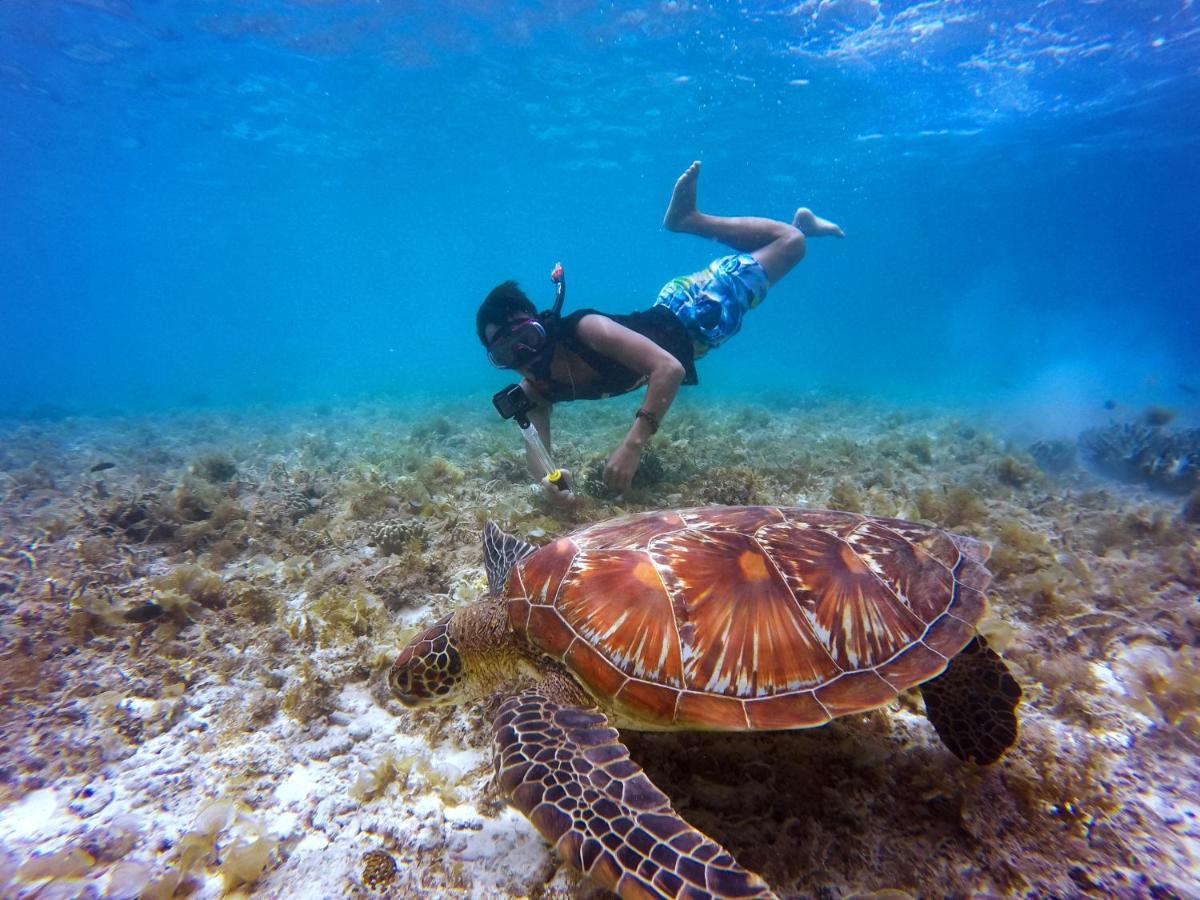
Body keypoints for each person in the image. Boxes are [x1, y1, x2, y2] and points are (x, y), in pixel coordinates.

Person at [477, 160, 843, 505]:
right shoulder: (537, 389)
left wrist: (633, 444)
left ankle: (689, 219)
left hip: (696, 310)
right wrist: (550, 484)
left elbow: (668, 369)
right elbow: (537, 450)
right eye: (507, 354)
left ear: (542, 324)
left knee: (791, 245)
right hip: (689, 325)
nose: (525, 357)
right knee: (782, 248)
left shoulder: (584, 329)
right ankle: (803, 224)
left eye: (527, 339)